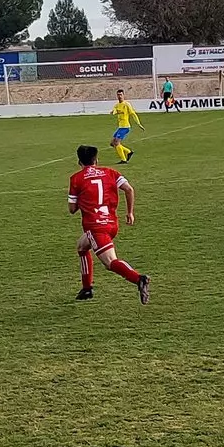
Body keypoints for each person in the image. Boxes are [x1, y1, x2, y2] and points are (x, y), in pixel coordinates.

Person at [66, 145, 150, 304]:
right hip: (111, 223)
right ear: (96, 160)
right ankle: (87, 288)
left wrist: (81, 200)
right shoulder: (110, 172)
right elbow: (129, 189)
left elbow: (72, 209)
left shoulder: (76, 178)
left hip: (95, 227)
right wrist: (130, 212)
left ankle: (139, 279)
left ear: (79, 162)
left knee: (110, 262)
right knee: (82, 246)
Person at [109, 89, 142, 163]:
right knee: (112, 143)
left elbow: (133, 114)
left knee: (116, 143)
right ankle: (128, 152)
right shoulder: (117, 105)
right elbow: (114, 110)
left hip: (125, 127)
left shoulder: (127, 104)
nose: (119, 96)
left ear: (123, 95)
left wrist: (138, 123)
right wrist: (113, 112)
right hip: (120, 127)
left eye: (121, 95)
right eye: (118, 95)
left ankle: (123, 160)